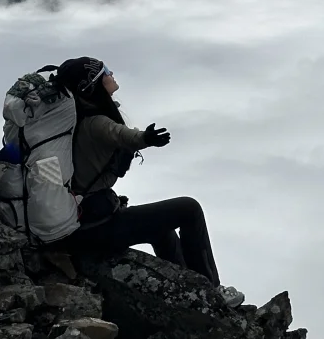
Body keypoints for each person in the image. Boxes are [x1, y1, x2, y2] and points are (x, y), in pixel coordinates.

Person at [52, 55, 241, 303]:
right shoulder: (95, 123)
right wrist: (146, 139)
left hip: (82, 222)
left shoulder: (76, 119)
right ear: (93, 86)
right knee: (188, 208)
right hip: (92, 227)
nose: (111, 74)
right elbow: (122, 136)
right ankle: (211, 293)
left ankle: (191, 294)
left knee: (162, 230)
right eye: (105, 72)